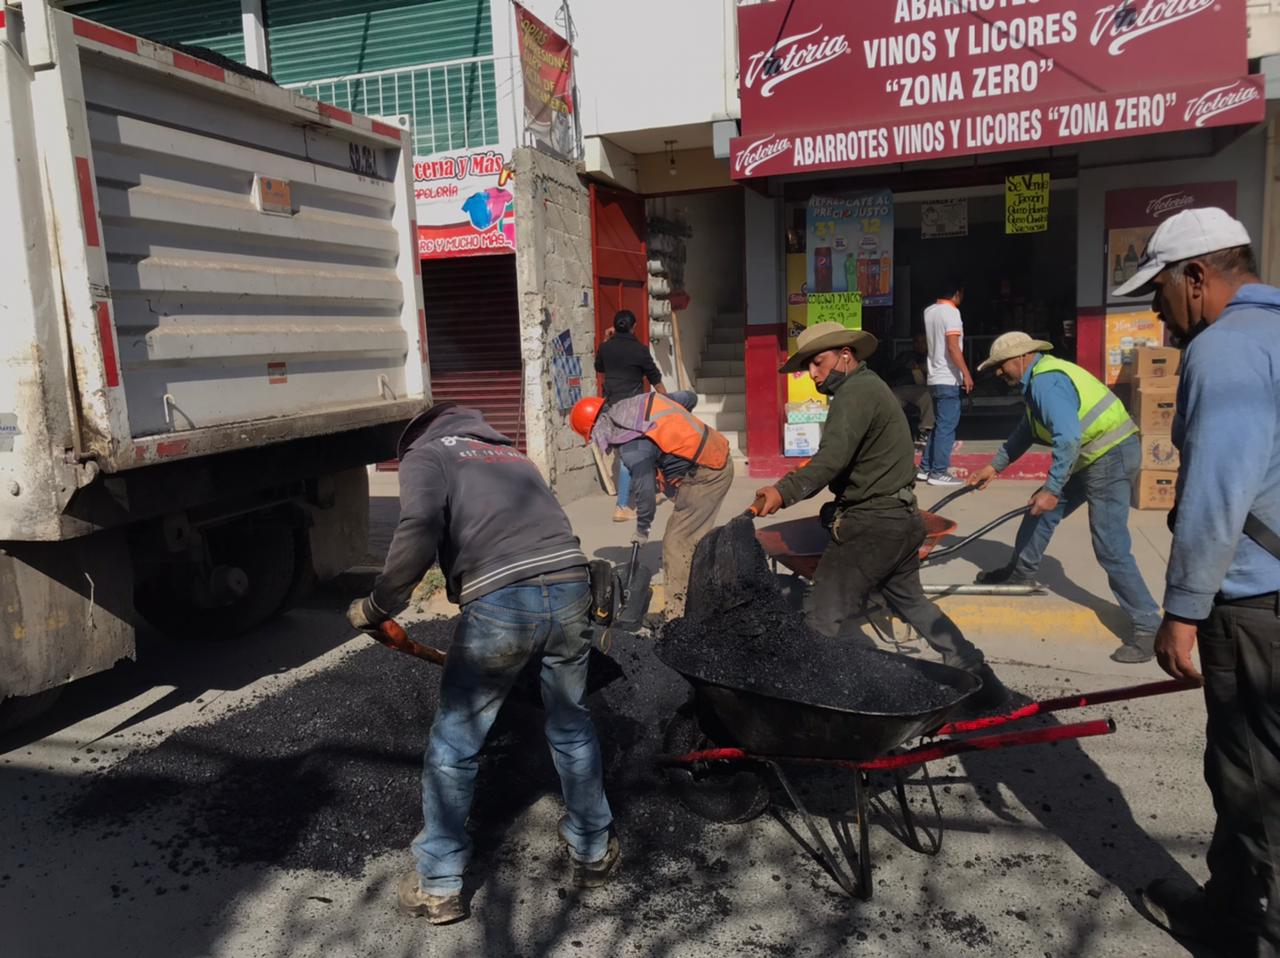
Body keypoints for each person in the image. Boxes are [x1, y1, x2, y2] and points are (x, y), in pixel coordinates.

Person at [346, 402, 617, 924]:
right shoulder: (512, 455)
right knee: (570, 725)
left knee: (455, 743)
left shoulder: (425, 455)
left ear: (417, 436)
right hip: (569, 586)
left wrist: (379, 605)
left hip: (502, 601)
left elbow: (418, 529)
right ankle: (593, 854)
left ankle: (440, 884)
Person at [1111, 207, 1280, 954]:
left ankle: (1247, 929)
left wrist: (1181, 612)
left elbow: (1216, 493)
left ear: (1198, 277)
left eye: (1160, 290)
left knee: (1251, 781)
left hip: (1255, 606)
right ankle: (1237, 904)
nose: (1156, 308)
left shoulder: (1225, 351)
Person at [751, 322, 1006, 709]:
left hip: (871, 526)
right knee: (912, 603)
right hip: (901, 521)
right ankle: (980, 679)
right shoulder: (868, 389)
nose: (814, 374)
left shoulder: (855, 394)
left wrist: (782, 491)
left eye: (818, 363)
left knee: (821, 614)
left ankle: (809, 702)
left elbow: (830, 461)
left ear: (846, 355)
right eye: (809, 368)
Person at [964, 331, 1161, 664]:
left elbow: (1068, 438)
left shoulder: (1046, 382)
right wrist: (993, 467)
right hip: (1091, 456)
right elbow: (1025, 432)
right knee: (1038, 510)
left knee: (1110, 545)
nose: (998, 373)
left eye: (1001, 366)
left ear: (1021, 358)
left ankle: (1148, 625)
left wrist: (1053, 489)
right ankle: (1021, 572)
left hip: (1109, 456)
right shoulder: (1035, 384)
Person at [571, 389, 732, 619]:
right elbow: (689, 398)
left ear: (597, 428)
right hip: (714, 453)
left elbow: (645, 492)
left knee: (676, 543)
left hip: (709, 472)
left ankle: (677, 618)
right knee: (688, 534)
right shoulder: (637, 405)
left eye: (593, 436)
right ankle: (699, 596)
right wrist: (677, 437)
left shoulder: (632, 449)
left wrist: (643, 528)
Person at [595, 310, 668, 523]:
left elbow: (599, 367)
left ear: (615, 327)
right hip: (632, 410)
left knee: (624, 454)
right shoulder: (640, 350)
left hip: (611, 407)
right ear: (633, 327)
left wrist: (606, 339)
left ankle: (630, 497)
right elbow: (655, 378)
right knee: (630, 455)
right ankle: (622, 506)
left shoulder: (606, 347)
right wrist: (670, 402)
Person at [918, 279, 973, 487]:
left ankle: (925, 468)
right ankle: (939, 472)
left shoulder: (930, 311)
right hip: (948, 377)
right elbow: (952, 346)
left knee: (939, 425)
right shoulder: (951, 313)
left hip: (934, 377)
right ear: (958, 293)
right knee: (947, 426)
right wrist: (966, 373)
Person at [889, 332, 934, 445]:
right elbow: (893, 372)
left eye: (923, 342)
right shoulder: (905, 356)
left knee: (928, 396)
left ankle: (925, 430)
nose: (919, 345)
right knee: (891, 398)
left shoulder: (932, 357)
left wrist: (923, 368)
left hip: (921, 390)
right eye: (917, 342)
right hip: (901, 388)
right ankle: (894, 433)